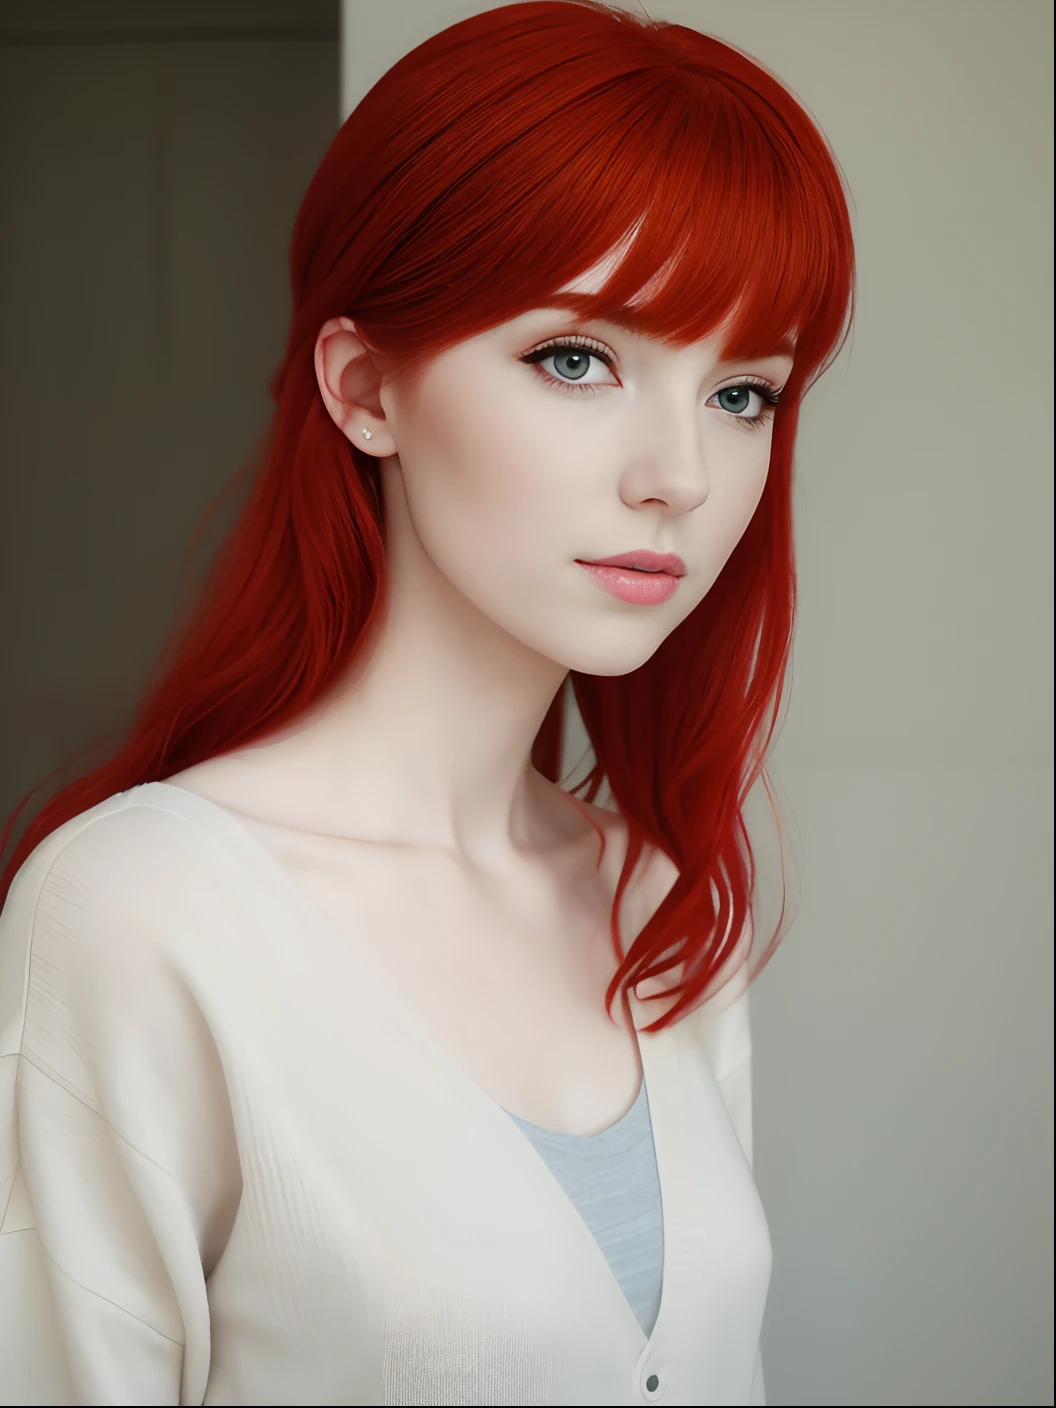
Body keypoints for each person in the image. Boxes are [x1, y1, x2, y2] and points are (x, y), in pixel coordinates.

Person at [0, 1, 855, 1402]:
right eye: (578, 360)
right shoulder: (132, 913)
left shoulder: (659, 898)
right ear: (365, 387)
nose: (682, 476)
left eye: (744, 391)